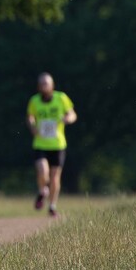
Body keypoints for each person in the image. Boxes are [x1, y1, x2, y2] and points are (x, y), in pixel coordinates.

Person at [26, 72, 77, 217]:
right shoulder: (34, 101)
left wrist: (68, 119)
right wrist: (32, 125)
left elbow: (72, 114)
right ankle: (43, 190)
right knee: (42, 170)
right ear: (38, 86)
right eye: (41, 84)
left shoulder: (61, 98)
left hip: (58, 144)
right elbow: (30, 116)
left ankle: (52, 206)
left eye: (46, 83)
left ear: (52, 85)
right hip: (40, 143)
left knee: (55, 177)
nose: (44, 86)